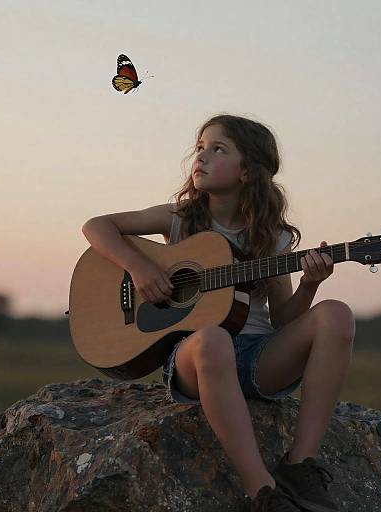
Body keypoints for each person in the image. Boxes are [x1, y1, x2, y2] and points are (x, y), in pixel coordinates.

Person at [81, 113, 355, 512]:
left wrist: (310, 284)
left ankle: (300, 464)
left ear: (248, 172)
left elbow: (283, 320)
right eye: (200, 148)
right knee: (213, 339)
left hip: (258, 357)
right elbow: (96, 225)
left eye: (218, 149)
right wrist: (139, 267)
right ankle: (262, 491)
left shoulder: (270, 236)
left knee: (338, 315)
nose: (202, 157)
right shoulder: (178, 219)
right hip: (198, 359)